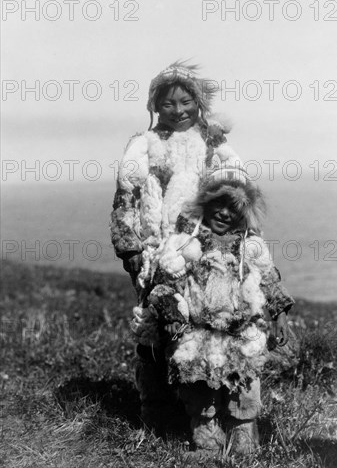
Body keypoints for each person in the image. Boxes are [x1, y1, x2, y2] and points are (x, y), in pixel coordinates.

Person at [110, 61, 243, 430]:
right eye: (168, 103)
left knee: (199, 326)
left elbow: (233, 193)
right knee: (154, 326)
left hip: (201, 251)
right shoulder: (143, 144)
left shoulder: (214, 144)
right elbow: (126, 197)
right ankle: (157, 412)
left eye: (186, 102)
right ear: (154, 105)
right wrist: (130, 247)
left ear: (199, 103)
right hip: (154, 253)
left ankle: (202, 414)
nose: (178, 110)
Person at [145, 167, 294, 455]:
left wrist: (280, 314)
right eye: (219, 204)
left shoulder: (250, 246)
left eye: (234, 208)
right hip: (199, 336)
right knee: (202, 397)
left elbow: (269, 279)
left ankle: (244, 446)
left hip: (240, 334)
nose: (225, 213)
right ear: (205, 202)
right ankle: (208, 447)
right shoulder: (186, 243)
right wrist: (172, 315)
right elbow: (164, 285)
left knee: (244, 391)